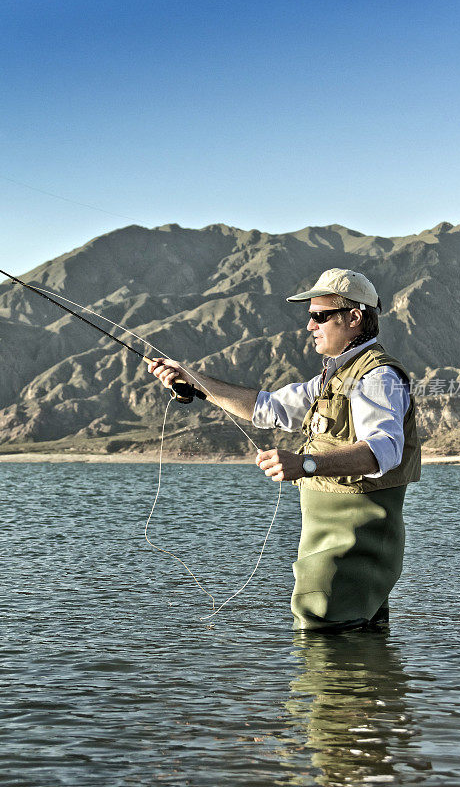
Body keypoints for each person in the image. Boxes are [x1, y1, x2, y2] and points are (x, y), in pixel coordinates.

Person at [147, 268, 421, 632]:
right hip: (334, 547)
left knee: (321, 630)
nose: (310, 326)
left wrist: (304, 464)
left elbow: (382, 452)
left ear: (354, 318)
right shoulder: (334, 377)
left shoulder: (377, 377)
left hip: (354, 547)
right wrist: (194, 380)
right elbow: (268, 408)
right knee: (354, 641)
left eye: (319, 316)